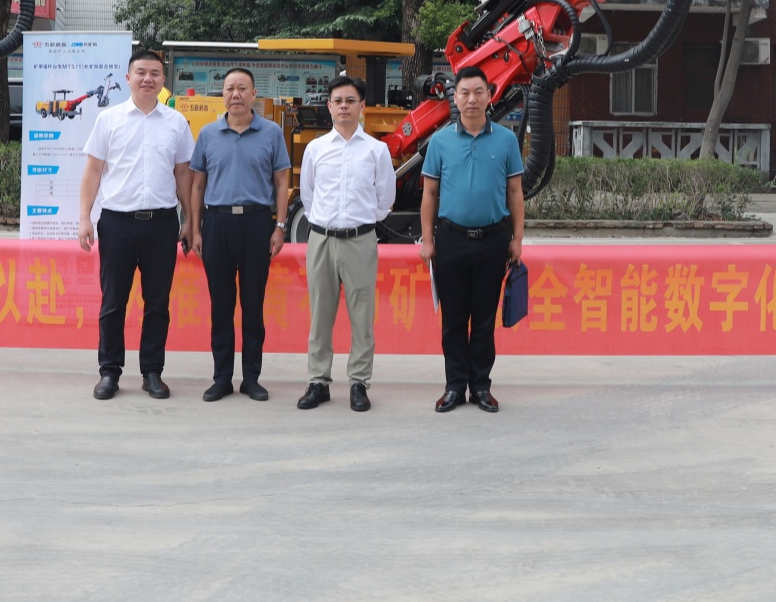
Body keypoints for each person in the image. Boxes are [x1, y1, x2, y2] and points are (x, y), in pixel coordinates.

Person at [78, 49, 195, 400]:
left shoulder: (176, 122)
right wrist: (84, 217)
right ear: (127, 78)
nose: (148, 78)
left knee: (157, 302)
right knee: (113, 300)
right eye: (141, 72)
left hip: (161, 224)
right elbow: (93, 171)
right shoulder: (109, 119)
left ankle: (152, 372)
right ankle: (109, 372)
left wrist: (188, 219)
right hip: (117, 223)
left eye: (155, 73)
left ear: (163, 81)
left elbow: (183, 174)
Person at [420, 65, 524, 414]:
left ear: (490, 95)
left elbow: (514, 191)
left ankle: (481, 386)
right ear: (456, 97)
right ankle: (454, 386)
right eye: (464, 92)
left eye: (478, 92)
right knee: (453, 320)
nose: (471, 99)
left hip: (494, 240)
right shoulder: (440, 140)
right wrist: (427, 240)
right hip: (451, 239)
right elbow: (430, 193)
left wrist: (518, 239)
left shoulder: (506, 140)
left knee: (483, 319)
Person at [186, 67, 292, 403]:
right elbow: (197, 185)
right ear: (223, 94)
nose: (236, 94)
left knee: (252, 304)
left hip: (257, 224)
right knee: (221, 306)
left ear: (253, 95)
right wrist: (195, 227)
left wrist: (280, 226)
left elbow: (281, 183)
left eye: (242, 88)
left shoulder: (271, 133)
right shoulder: (208, 134)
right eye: (230, 88)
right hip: (217, 225)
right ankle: (221, 378)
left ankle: (251, 378)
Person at [296, 75, 396, 412]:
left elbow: (385, 200)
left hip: (360, 240)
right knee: (320, 315)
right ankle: (318, 381)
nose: (343, 106)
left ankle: (358, 383)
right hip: (322, 239)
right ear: (329, 106)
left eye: (350, 101)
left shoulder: (376, 150)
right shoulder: (316, 149)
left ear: (362, 106)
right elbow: (308, 198)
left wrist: (360, 221)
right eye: (337, 100)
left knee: (362, 314)